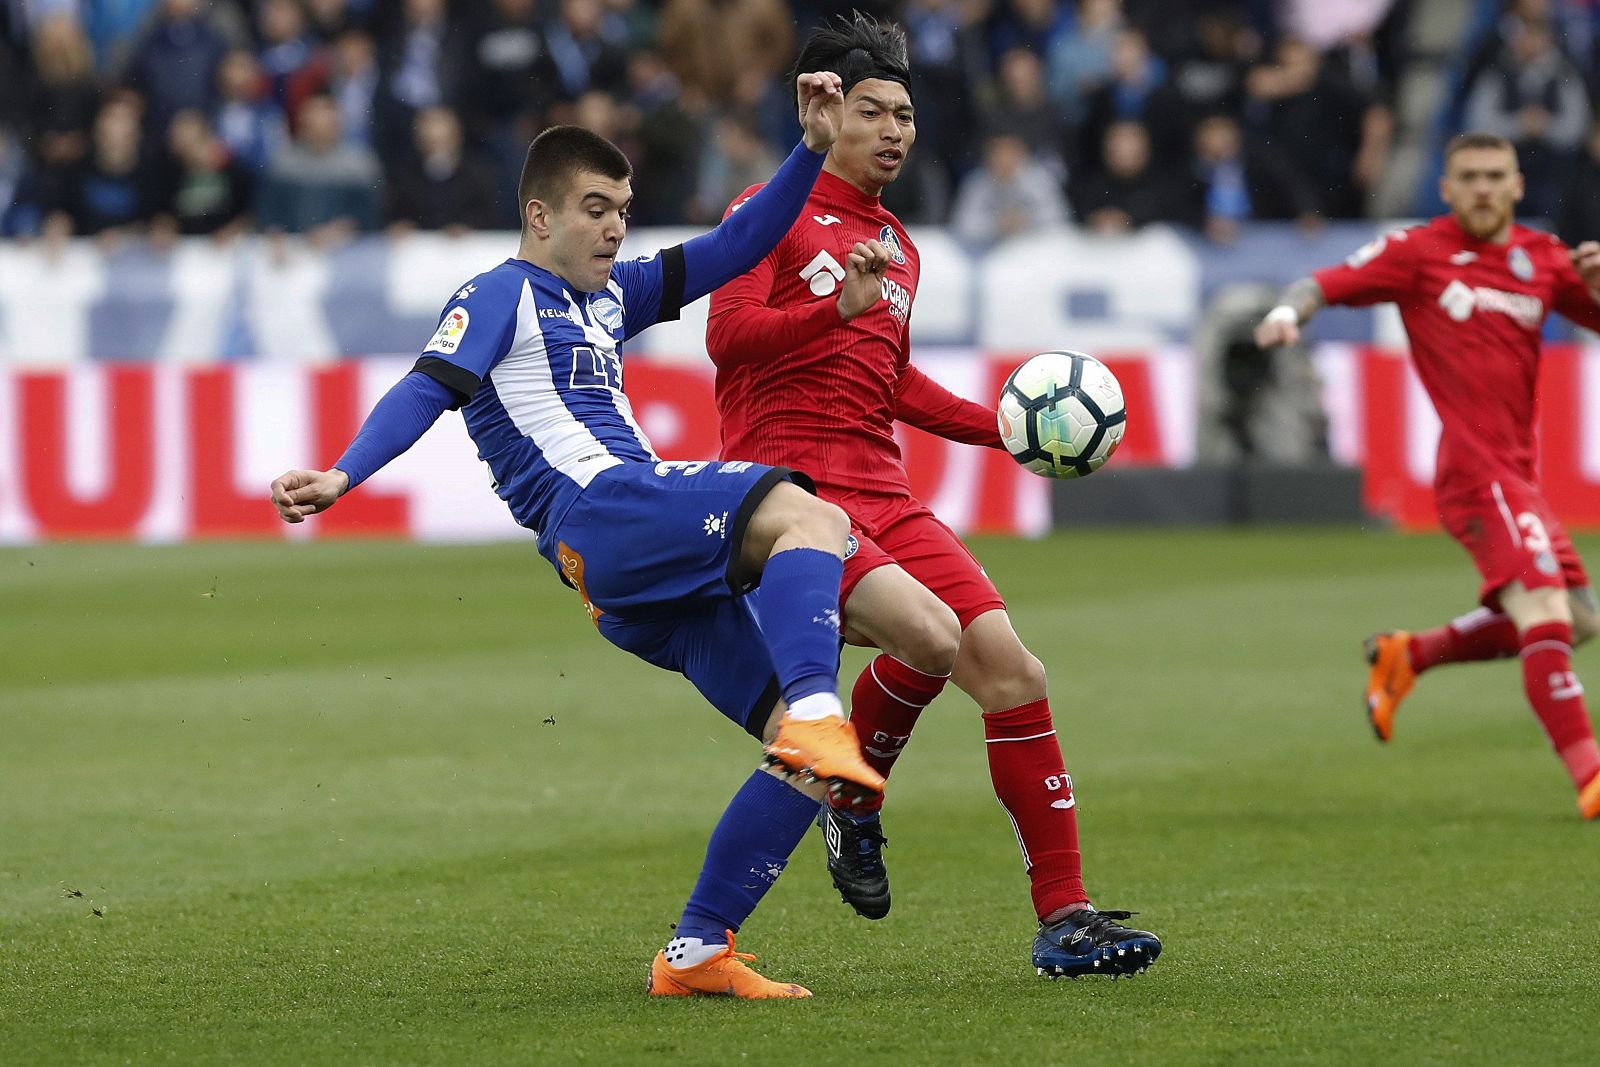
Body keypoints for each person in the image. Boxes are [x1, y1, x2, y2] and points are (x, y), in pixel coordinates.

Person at [270, 71, 888, 999]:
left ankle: (696, 953)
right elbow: (425, 388)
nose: (614, 229)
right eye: (595, 209)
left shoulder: (609, 299)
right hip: (607, 513)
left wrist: (808, 147)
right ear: (538, 216)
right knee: (813, 516)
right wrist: (344, 473)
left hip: (620, 578)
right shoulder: (501, 292)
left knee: (808, 769)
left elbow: (736, 244)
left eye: (623, 211)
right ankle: (817, 710)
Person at [706, 13, 1162, 980]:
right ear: (826, 113)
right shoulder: (768, 211)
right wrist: (834, 308)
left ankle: (1064, 916)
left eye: (905, 115)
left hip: (886, 488)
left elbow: (891, 382)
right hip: (793, 494)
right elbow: (729, 340)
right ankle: (850, 801)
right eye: (871, 111)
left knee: (1014, 673)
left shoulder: (899, 242)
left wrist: (994, 425)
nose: (894, 131)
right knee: (935, 639)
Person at [1254, 131, 1600, 819]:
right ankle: (1591, 774)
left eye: (1494, 175)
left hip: (1518, 475)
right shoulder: (1419, 253)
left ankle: (1409, 654)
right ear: (1446, 188)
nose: (1481, 188)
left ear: (1517, 185)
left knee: (1582, 619)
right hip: (1474, 471)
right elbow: (1325, 281)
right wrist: (1287, 312)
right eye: (1468, 176)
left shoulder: (1544, 258)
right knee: (1549, 615)